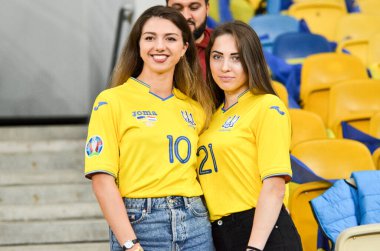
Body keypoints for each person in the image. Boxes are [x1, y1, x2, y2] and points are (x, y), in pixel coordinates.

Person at [84, 5, 214, 251]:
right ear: (139, 45)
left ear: (184, 47)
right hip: (141, 224)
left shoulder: (196, 109)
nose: (160, 46)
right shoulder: (111, 101)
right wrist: (130, 244)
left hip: (196, 223)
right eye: (150, 38)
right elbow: (101, 180)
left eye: (171, 38)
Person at [197, 20, 303, 251]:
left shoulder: (267, 106)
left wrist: (254, 248)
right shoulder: (211, 116)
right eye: (217, 56)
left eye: (236, 58)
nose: (225, 67)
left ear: (251, 61)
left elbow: (274, 185)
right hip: (221, 233)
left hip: (263, 234)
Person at [166, 0, 212, 79]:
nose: (186, 16)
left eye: (194, 8)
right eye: (177, 9)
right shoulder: (151, 48)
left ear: (207, 9)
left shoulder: (227, 44)